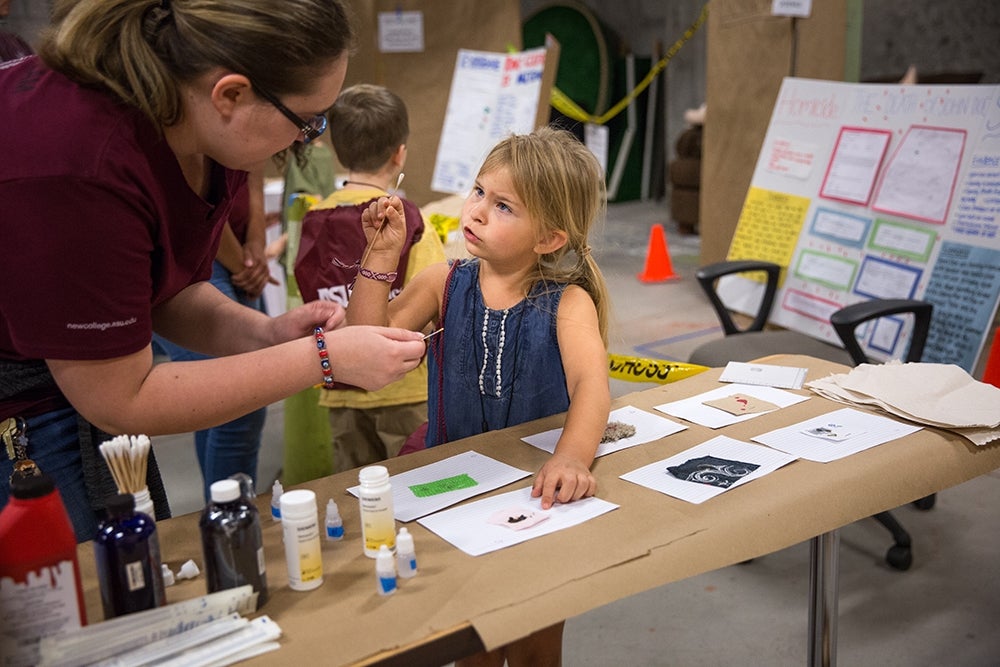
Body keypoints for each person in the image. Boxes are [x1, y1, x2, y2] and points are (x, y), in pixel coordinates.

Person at [0, 0, 426, 543]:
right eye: (307, 121)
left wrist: (263, 333)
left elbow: (161, 292)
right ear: (231, 95)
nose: (308, 140)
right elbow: (118, 396)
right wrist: (322, 358)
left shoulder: (204, 136)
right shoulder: (78, 163)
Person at [347, 126, 612, 667]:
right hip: (457, 493)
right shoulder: (443, 281)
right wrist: (381, 255)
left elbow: (592, 387)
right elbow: (366, 340)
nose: (477, 212)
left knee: (536, 641)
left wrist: (571, 457)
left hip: (539, 498)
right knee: (473, 641)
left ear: (549, 238)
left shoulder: (569, 302)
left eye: (504, 207)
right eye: (478, 193)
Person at [291, 83, 445, 479]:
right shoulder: (409, 219)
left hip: (339, 384)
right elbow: (434, 300)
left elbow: (306, 298)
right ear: (400, 154)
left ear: (339, 154)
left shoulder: (312, 220)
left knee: (355, 489)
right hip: (405, 390)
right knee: (417, 481)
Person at [152, 168, 274, 501]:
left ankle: (220, 510)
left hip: (237, 251)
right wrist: (244, 264)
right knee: (240, 400)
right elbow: (200, 205)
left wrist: (257, 243)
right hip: (205, 251)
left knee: (227, 405)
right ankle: (230, 518)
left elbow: (253, 176)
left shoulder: (251, 150)